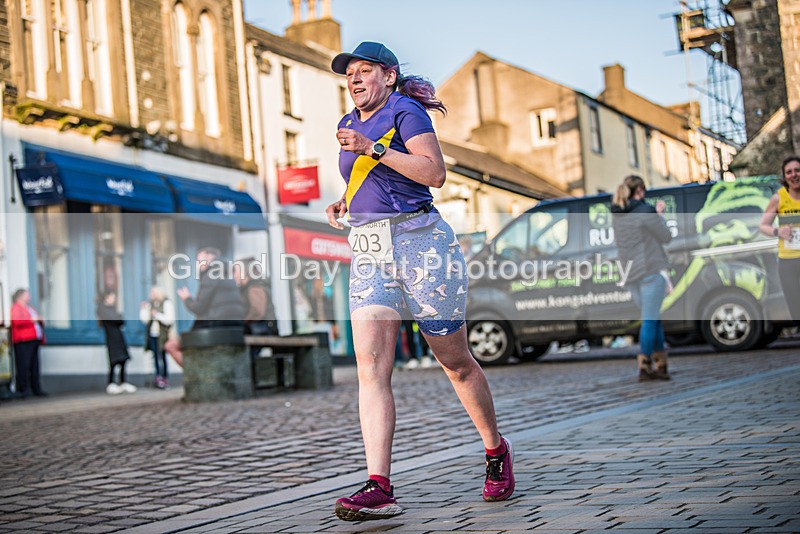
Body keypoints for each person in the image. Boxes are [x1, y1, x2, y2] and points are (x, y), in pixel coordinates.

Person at [326, 41, 514, 521]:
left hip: (422, 245)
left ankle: (495, 451)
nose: (354, 78)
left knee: (455, 362)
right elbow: (373, 179)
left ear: (388, 76)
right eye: (350, 73)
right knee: (371, 368)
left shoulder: (406, 111)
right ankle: (379, 485)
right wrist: (347, 201)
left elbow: (434, 174)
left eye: (365, 70)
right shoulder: (349, 122)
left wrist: (373, 147)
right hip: (370, 250)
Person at [611, 175, 673, 381]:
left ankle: (661, 365)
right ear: (640, 191)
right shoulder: (645, 211)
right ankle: (645, 366)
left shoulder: (617, 214)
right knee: (650, 319)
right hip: (650, 271)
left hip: (630, 274)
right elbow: (665, 236)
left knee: (652, 318)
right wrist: (659, 215)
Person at [167, 247, 245, 366]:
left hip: (214, 328)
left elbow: (198, 307)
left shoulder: (210, 276)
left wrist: (186, 298)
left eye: (199, 260)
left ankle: (196, 374)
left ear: (209, 257)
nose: (198, 264)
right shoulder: (229, 276)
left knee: (171, 346)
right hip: (234, 328)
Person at [759, 155, 800, 324]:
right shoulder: (778, 198)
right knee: (796, 307)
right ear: (785, 177)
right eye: (789, 172)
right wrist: (778, 231)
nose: (794, 175)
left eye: (797, 170)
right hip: (788, 261)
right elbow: (763, 225)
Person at [96, 290, 136, 394]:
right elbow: (116, 319)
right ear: (107, 298)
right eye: (112, 297)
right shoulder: (102, 309)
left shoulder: (112, 309)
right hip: (111, 337)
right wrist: (117, 317)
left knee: (123, 360)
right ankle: (111, 383)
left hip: (119, 337)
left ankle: (123, 382)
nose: (114, 300)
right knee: (113, 361)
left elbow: (121, 320)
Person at [9, 288, 47, 398]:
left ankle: (36, 389)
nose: (29, 296)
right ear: (20, 296)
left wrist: (39, 320)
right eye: (27, 294)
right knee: (24, 365)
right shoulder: (16, 308)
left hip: (34, 339)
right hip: (24, 340)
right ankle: (23, 390)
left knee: (35, 366)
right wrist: (32, 320)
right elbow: (17, 322)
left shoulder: (29, 308)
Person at [139, 286, 175, 389]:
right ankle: (157, 377)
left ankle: (164, 378)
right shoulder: (151, 305)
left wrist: (157, 315)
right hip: (153, 334)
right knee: (155, 356)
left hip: (162, 334)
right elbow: (145, 320)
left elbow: (169, 319)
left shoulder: (166, 303)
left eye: (152, 293)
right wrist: (143, 309)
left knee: (162, 356)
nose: (151, 295)